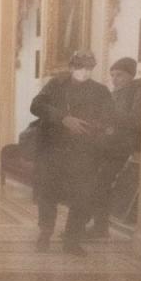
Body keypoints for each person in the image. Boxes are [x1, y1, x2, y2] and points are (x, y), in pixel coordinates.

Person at [30, 50, 114, 254]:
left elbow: (109, 118)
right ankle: (45, 233)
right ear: (71, 67)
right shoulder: (56, 85)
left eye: (88, 68)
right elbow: (36, 106)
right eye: (79, 68)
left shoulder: (100, 91)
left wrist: (95, 126)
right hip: (53, 149)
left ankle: (72, 240)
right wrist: (63, 119)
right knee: (48, 194)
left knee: (82, 197)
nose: (83, 72)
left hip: (83, 152)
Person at [86, 57, 141, 236]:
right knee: (92, 181)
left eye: (119, 75)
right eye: (112, 75)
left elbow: (135, 121)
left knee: (100, 183)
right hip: (107, 143)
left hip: (122, 146)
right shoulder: (115, 92)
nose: (114, 79)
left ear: (130, 75)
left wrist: (109, 115)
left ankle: (97, 227)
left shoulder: (138, 91)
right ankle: (91, 224)